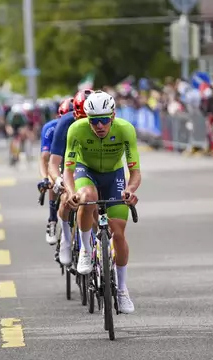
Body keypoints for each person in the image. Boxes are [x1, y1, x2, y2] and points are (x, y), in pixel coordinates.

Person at [62, 91, 141, 314]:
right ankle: (86, 250)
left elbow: (134, 171)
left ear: (113, 116)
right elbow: (68, 169)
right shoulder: (76, 130)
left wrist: (130, 189)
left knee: (118, 232)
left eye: (104, 120)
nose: (99, 126)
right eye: (93, 121)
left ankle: (122, 288)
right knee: (87, 198)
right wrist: (70, 193)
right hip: (86, 171)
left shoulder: (125, 130)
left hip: (114, 175)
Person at [49, 89, 93, 265]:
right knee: (67, 197)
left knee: (95, 202)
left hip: (90, 163)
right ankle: (66, 240)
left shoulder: (102, 123)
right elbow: (53, 162)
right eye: (82, 118)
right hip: (68, 163)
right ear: (75, 114)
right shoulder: (66, 123)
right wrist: (58, 180)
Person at [38, 98, 73, 245]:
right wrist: (45, 178)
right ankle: (52, 220)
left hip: (73, 160)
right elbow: (45, 159)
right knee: (53, 182)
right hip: (57, 159)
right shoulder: (50, 128)